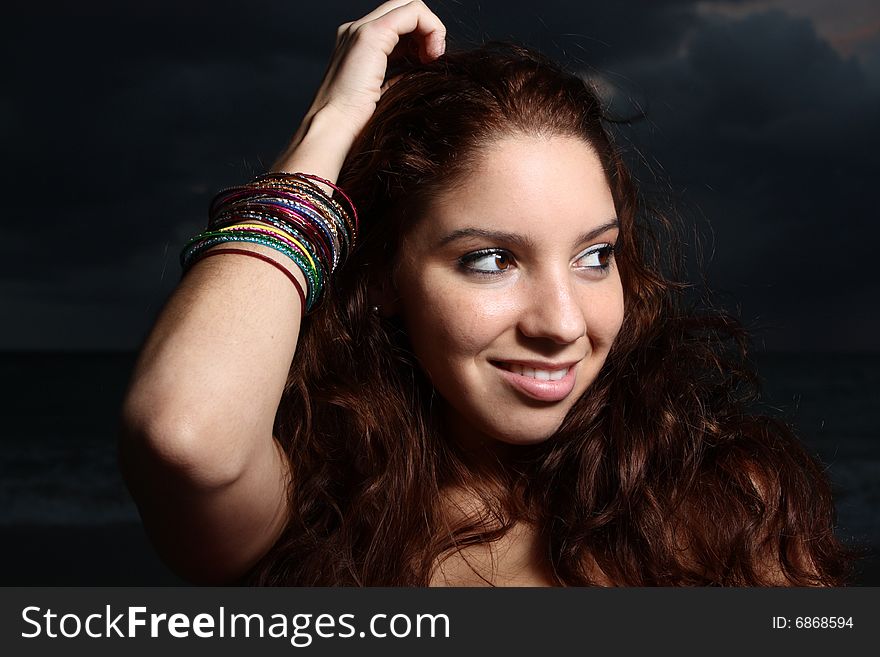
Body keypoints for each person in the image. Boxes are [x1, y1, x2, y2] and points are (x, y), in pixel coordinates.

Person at [119, 0, 856, 586]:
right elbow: (185, 436)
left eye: (595, 256)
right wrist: (330, 124)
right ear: (382, 278)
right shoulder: (306, 516)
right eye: (491, 260)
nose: (563, 322)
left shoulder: (729, 508)